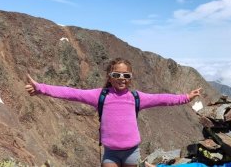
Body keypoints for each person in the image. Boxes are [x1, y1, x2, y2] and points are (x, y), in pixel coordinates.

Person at [25, 57, 201, 167]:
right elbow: (71, 93)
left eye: (126, 76)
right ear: (109, 77)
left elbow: (162, 99)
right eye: (117, 75)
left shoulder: (136, 97)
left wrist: (185, 97)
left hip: (132, 152)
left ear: (131, 78)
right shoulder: (99, 96)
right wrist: (41, 88)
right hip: (110, 153)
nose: (121, 79)